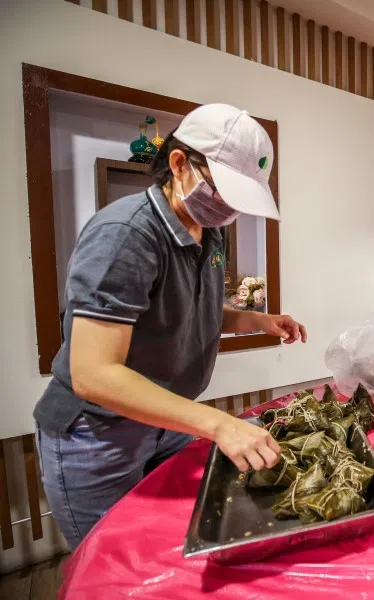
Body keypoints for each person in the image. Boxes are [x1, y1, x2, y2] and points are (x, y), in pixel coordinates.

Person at [33, 104, 307, 549]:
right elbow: (93, 374)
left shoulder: (208, 230)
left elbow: (194, 308)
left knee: (173, 546)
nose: (229, 210)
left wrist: (258, 320)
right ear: (179, 163)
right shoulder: (126, 235)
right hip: (97, 435)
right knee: (117, 562)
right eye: (223, 192)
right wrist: (218, 424)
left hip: (163, 421)